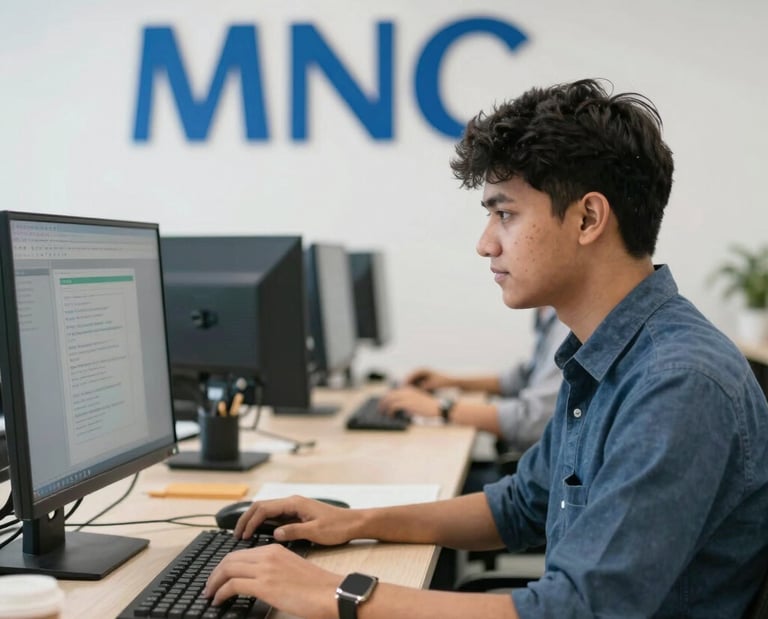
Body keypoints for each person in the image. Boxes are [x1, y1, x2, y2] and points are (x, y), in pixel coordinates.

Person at [203, 79, 768, 618]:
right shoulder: (604, 356)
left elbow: (582, 611)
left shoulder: (678, 382)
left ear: (588, 218)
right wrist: (353, 522)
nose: (485, 243)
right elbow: (522, 506)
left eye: (505, 213)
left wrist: (340, 595)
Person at [379, 306, 569, 457]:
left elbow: (531, 422)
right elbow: (521, 378)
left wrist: (442, 408)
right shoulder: (549, 313)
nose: (486, 254)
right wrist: (451, 381)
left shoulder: (568, 326)